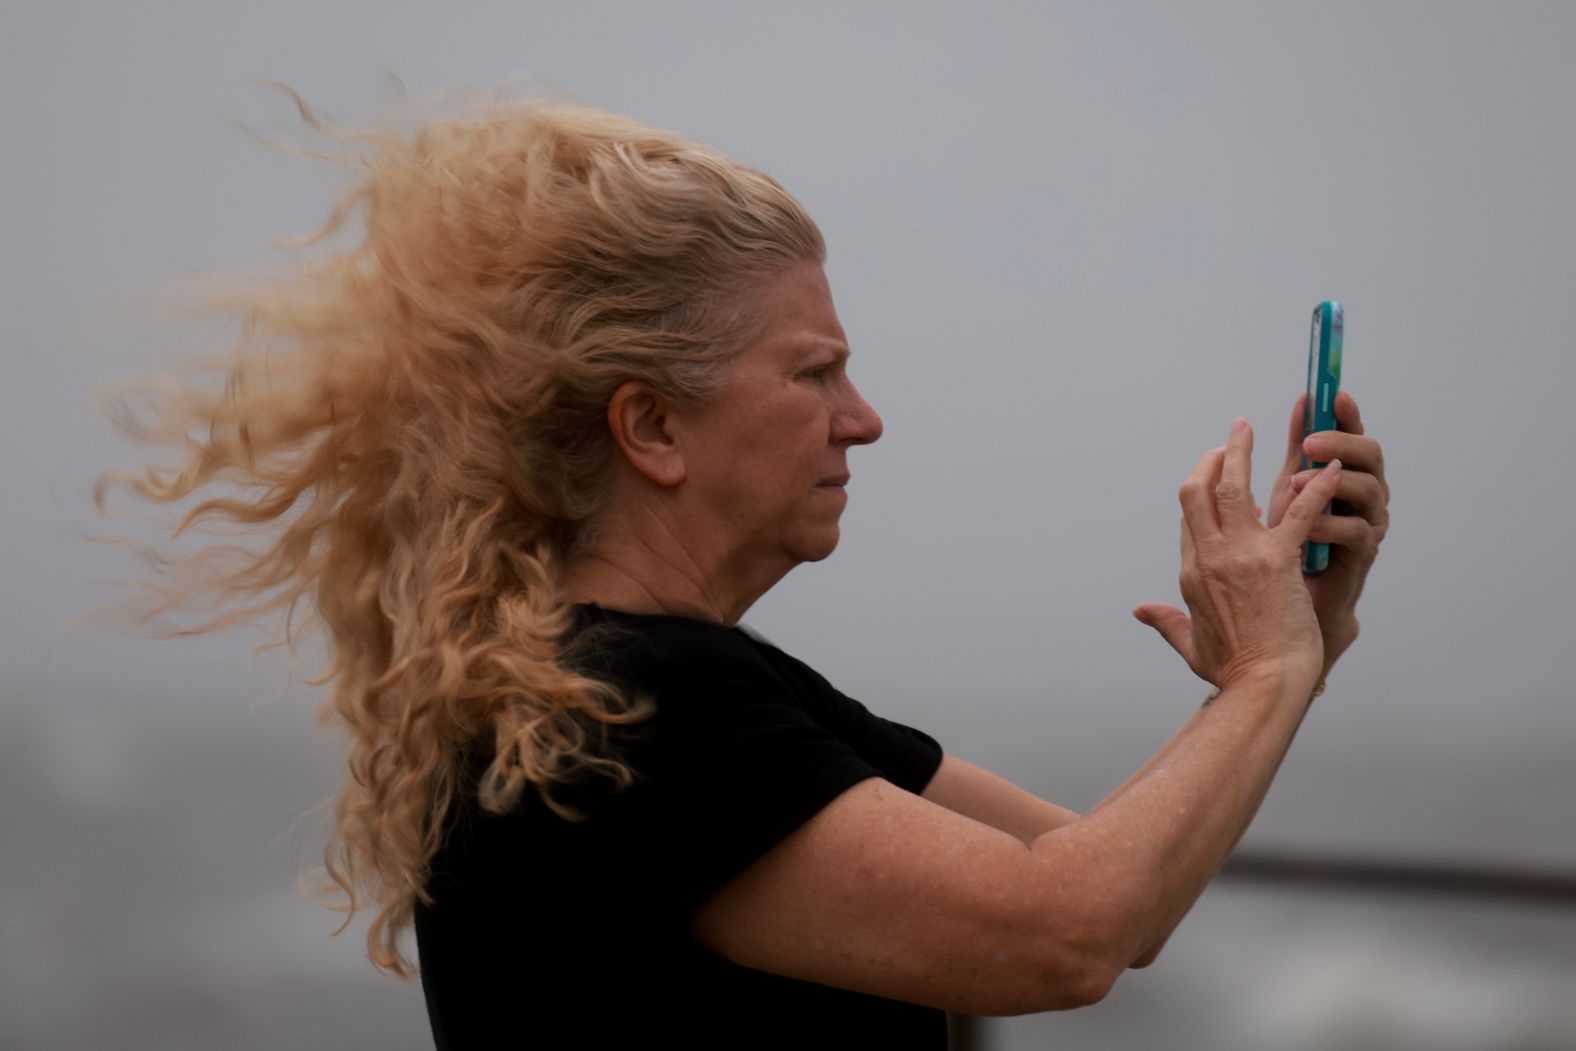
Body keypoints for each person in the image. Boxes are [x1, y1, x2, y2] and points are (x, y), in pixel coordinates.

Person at [85, 84, 1390, 1049]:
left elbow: (1127, 895)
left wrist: (1286, 670)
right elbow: (1068, 931)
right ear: (651, 425)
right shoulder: (643, 714)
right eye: (813, 372)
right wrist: (1266, 672)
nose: (862, 416)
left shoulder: (665, 691)